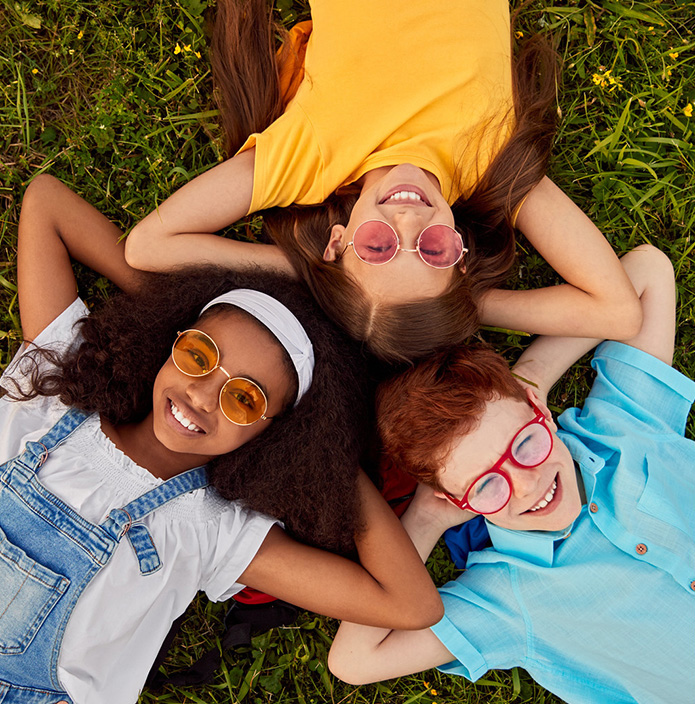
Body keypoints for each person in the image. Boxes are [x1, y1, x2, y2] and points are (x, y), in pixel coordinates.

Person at [0, 175, 443, 704]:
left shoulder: (217, 531)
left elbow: (411, 605)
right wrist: (172, 311)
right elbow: (46, 201)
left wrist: (323, 451)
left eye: (244, 400)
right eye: (198, 356)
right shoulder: (52, 398)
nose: (202, 397)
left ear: (273, 432)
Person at [124, 0, 641, 362]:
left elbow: (148, 245)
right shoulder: (489, 159)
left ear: (337, 240)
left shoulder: (311, 157)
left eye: (377, 246)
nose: (410, 219)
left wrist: (314, 276)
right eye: (433, 250)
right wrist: (456, 307)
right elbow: (617, 312)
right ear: (462, 252)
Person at [327, 244, 695, 704]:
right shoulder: (508, 595)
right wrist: (424, 521)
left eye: (525, 444)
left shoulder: (623, 429)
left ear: (538, 409)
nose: (528, 485)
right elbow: (355, 662)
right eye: (485, 485)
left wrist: (533, 372)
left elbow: (646, 271)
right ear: (459, 503)